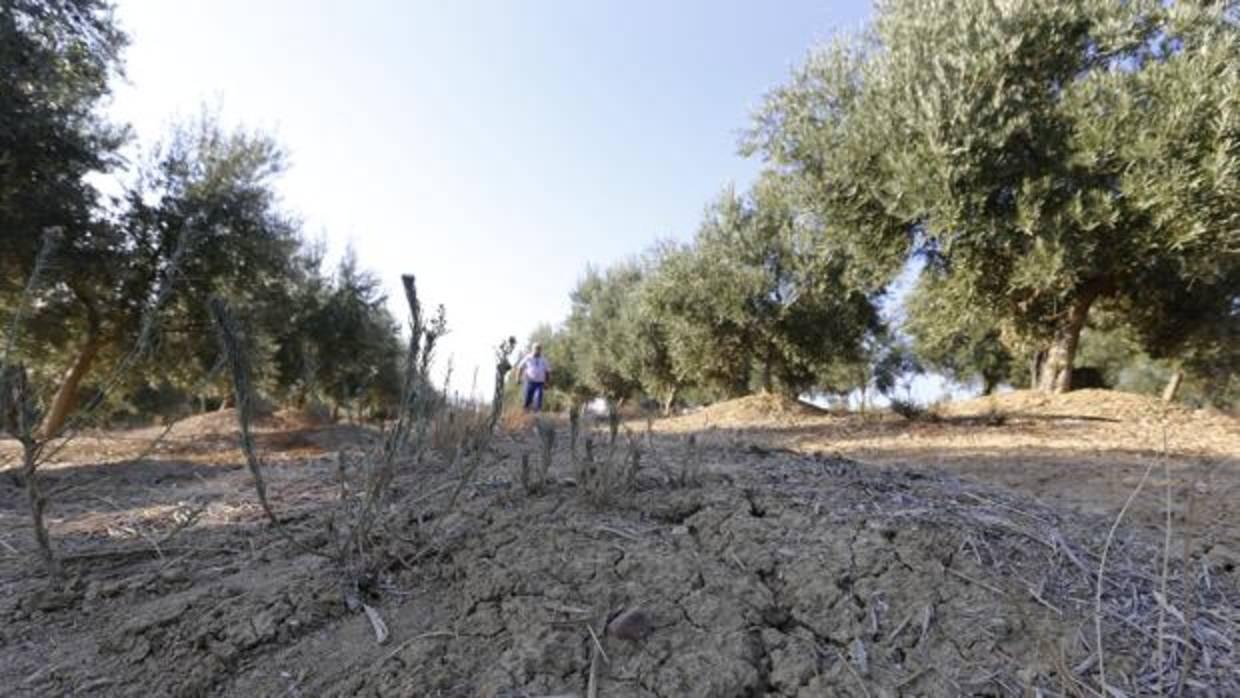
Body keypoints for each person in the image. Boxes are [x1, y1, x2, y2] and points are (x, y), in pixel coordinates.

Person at [513, 343, 552, 412]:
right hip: (529, 381)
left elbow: (548, 372)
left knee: (538, 398)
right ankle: (525, 415)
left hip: (540, 383)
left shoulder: (543, 359)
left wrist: (547, 383)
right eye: (536, 349)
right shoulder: (528, 357)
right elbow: (520, 367)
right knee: (527, 399)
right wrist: (517, 378)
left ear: (541, 350)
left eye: (539, 349)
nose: (537, 350)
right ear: (532, 349)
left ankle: (536, 416)